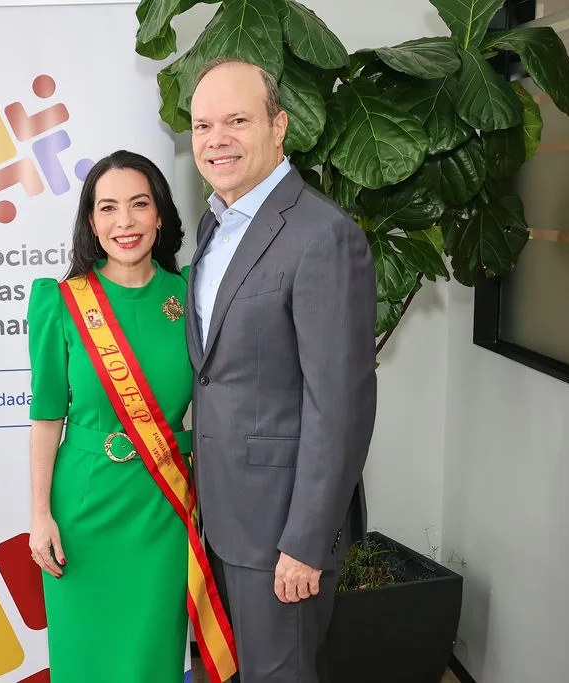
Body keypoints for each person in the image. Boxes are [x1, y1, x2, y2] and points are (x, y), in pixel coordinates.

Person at [186, 57, 378, 683]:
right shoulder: (215, 224)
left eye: (237, 121)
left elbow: (339, 406)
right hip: (222, 518)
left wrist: (305, 540)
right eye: (203, 125)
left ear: (279, 126)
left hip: (281, 534)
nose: (217, 139)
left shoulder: (324, 235)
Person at [26, 150, 193, 682]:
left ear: (160, 215)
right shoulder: (60, 302)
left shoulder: (192, 297)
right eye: (108, 208)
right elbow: (47, 417)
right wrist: (39, 514)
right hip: (82, 509)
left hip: (162, 505)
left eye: (139, 204)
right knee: (86, 660)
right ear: (91, 222)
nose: (125, 221)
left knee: (152, 655)